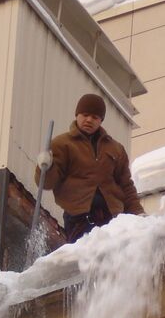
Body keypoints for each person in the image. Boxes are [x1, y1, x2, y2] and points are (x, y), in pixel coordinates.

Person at [35, 94, 144, 243]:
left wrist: (137, 213)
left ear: (101, 120)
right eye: (85, 115)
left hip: (113, 219)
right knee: (84, 261)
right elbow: (46, 183)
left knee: (114, 260)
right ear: (77, 115)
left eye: (95, 117)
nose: (89, 120)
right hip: (79, 219)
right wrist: (45, 166)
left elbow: (126, 185)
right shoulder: (62, 144)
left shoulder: (116, 149)